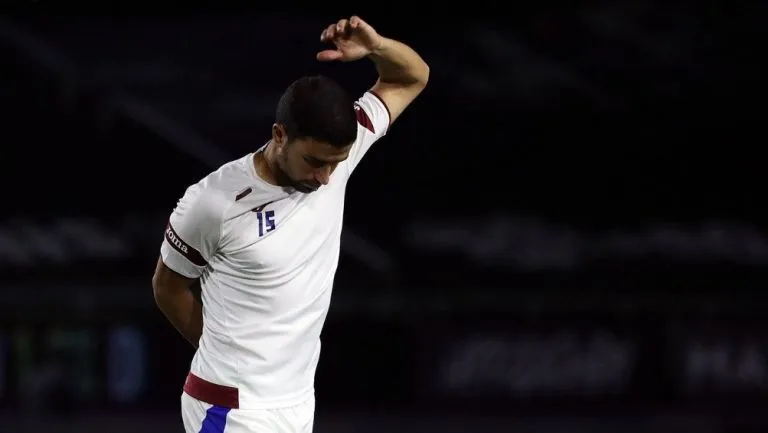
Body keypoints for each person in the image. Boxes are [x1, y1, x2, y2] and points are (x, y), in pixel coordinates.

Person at [151, 16, 429, 433]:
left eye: (336, 164)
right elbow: (168, 287)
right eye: (315, 162)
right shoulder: (214, 202)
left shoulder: (339, 153)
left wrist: (376, 48)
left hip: (297, 404)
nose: (326, 178)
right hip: (232, 408)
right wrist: (226, 354)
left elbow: (412, 76)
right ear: (280, 135)